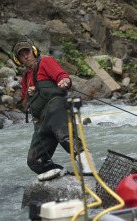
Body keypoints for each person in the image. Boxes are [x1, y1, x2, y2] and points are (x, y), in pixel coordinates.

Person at [13, 39, 91, 181]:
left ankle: (88, 168)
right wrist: (28, 96)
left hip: (57, 108)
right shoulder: (25, 80)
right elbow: (24, 107)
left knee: (66, 138)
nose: (26, 57)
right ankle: (61, 174)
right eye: (21, 56)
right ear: (18, 61)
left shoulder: (46, 62)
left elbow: (63, 76)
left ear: (34, 52)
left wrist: (64, 82)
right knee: (34, 160)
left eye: (27, 52)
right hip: (41, 121)